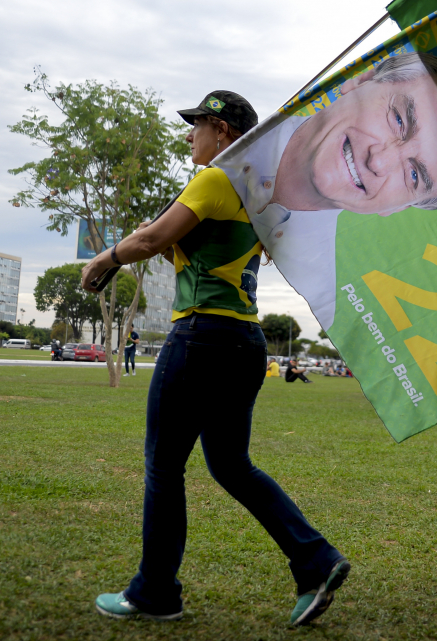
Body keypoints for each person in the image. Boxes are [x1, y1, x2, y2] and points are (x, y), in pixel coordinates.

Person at [82, 90, 349, 627]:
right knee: (230, 465)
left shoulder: (214, 179)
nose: (189, 137)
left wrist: (105, 258)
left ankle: (155, 592)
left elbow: (155, 237)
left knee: (163, 466)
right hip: (245, 344)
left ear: (222, 131)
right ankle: (315, 560)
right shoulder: (260, 192)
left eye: (196, 126)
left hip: (200, 336)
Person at [218, 52, 437, 329]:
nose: (378, 160)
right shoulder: (229, 149)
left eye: (414, 175)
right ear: (361, 81)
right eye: (399, 119)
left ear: (397, 208)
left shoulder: (323, 293)